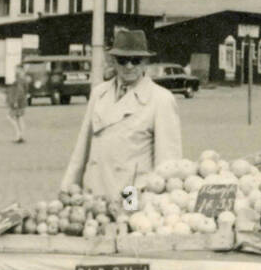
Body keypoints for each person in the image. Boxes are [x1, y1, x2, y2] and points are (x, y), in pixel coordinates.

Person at [60, 30, 182, 200]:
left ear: (145, 62)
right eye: (123, 60)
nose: (129, 66)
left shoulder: (161, 99)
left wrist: (161, 209)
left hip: (132, 195)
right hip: (94, 194)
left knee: (127, 224)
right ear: (113, 61)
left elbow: (168, 164)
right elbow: (82, 147)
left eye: (136, 60)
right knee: (96, 224)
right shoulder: (98, 93)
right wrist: (68, 187)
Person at [6, 66, 28, 143]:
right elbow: (25, 91)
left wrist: (15, 101)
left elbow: (19, 91)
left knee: (10, 117)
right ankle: (20, 136)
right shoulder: (23, 79)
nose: (15, 71)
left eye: (16, 69)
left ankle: (18, 134)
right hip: (21, 101)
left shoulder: (19, 80)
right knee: (19, 118)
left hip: (18, 102)